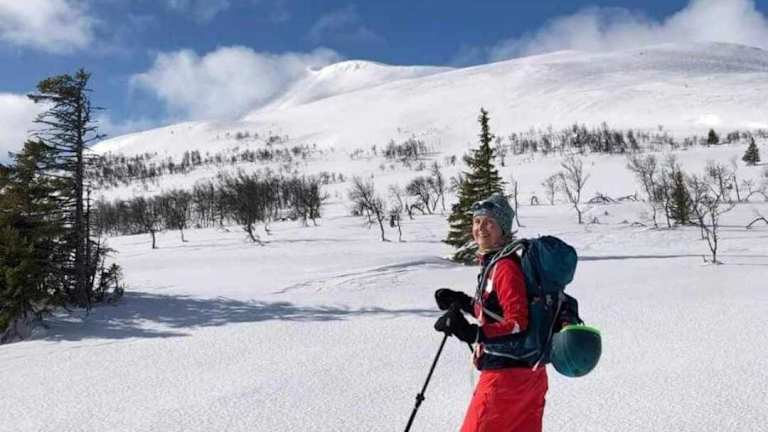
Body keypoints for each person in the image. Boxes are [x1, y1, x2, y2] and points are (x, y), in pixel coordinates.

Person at [434, 193, 548, 432]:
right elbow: (495, 310)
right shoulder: (496, 263)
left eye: (489, 223)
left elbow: (517, 323)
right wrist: (462, 301)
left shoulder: (505, 267)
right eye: (477, 221)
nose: (480, 228)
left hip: (506, 379)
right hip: (527, 375)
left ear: (503, 229)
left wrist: (472, 333)